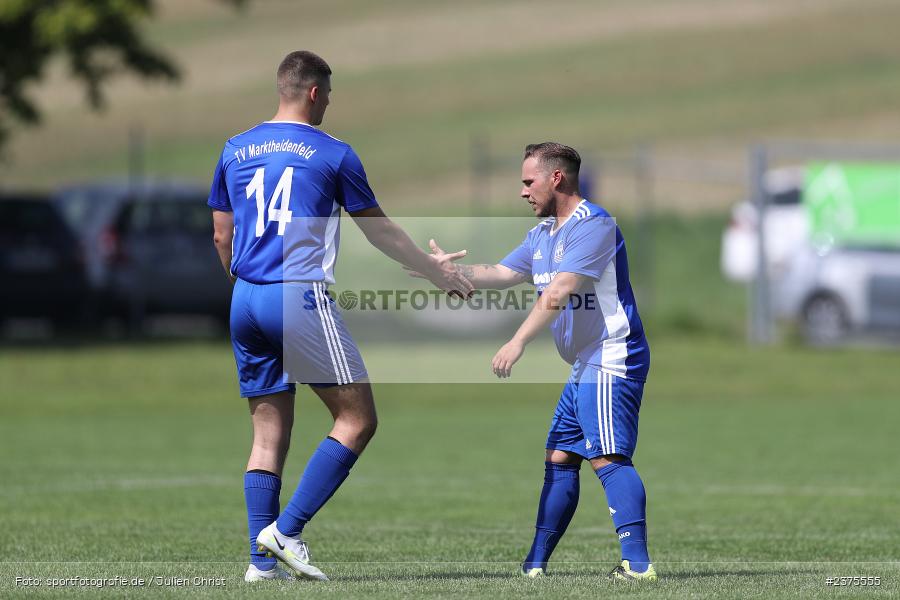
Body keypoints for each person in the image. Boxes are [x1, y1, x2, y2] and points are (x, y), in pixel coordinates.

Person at [207, 50, 473, 583]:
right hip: (297, 296)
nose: (329, 102)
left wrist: (248, 290)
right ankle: (285, 533)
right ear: (313, 92)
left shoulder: (235, 148)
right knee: (357, 419)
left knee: (267, 436)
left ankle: (262, 565)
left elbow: (221, 234)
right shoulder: (332, 153)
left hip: (246, 298)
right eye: (328, 94)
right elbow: (380, 230)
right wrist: (433, 269)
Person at [426, 142, 655, 581]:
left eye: (529, 181)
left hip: (611, 353)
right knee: (560, 455)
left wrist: (517, 341)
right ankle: (534, 565)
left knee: (607, 456)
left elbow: (560, 290)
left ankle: (638, 566)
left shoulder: (594, 225)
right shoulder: (543, 234)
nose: (523, 191)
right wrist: (444, 270)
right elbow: (501, 273)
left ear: (556, 178)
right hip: (585, 361)